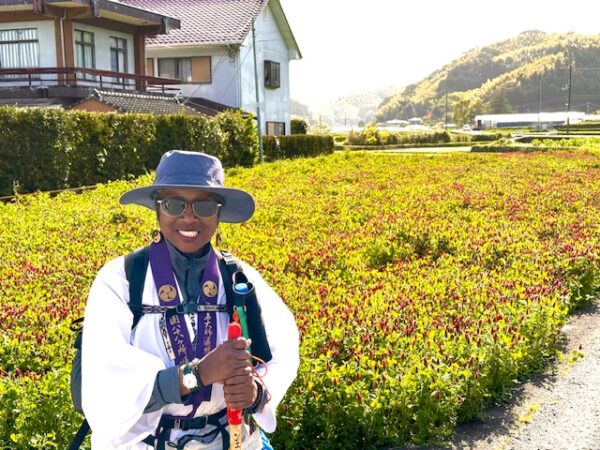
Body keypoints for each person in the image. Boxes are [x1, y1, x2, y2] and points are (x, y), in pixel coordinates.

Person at [81, 150, 299, 449]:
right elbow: (106, 384)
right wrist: (197, 375)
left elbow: (282, 348)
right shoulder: (121, 279)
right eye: (174, 204)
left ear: (219, 213)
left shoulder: (239, 278)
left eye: (204, 206)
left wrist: (256, 392)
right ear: (158, 209)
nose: (188, 217)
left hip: (232, 439)